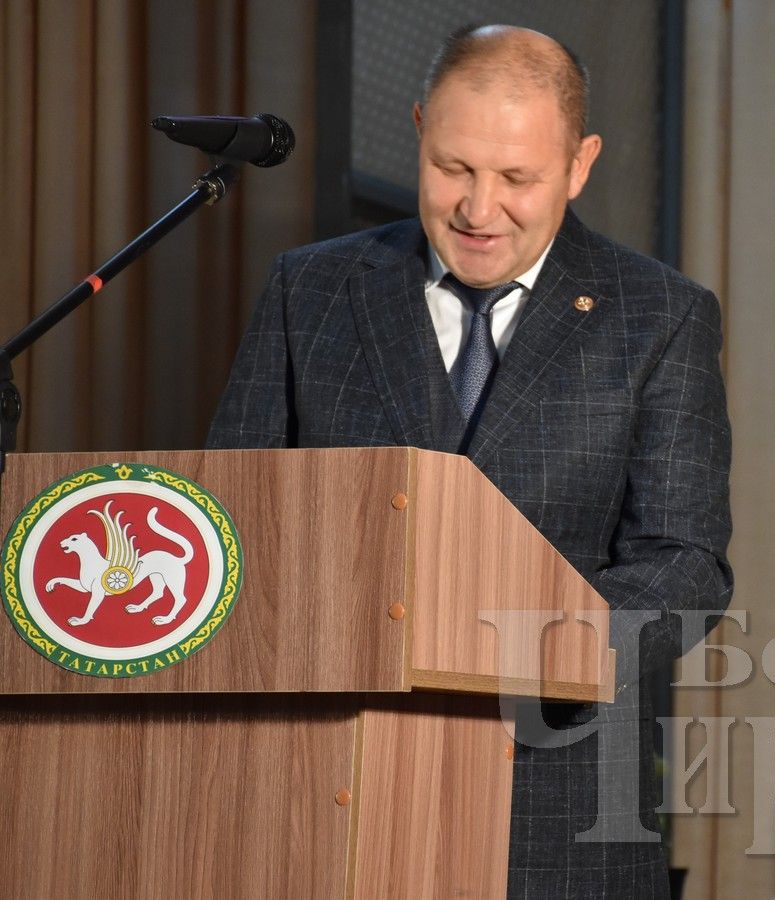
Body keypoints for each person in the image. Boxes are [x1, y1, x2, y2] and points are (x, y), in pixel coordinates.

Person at [208, 24, 733, 898]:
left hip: (557, 808)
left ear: (580, 163)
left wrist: (521, 651)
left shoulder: (661, 317)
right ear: (418, 129)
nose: (478, 209)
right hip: (328, 787)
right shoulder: (313, 289)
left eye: (517, 179)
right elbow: (232, 520)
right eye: (452, 168)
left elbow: (685, 569)